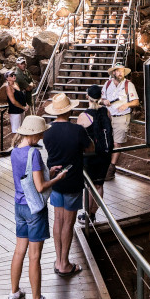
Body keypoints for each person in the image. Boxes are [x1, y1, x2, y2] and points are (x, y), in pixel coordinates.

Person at [8, 115, 69, 299]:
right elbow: (40, 186)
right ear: (33, 134)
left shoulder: (15, 151)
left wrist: (47, 172)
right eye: (41, 133)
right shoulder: (34, 153)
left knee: (19, 250)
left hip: (19, 206)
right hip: (35, 209)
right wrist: (58, 178)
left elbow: (26, 176)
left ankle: (14, 293)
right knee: (35, 256)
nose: (42, 136)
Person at [42, 92, 92, 278]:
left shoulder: (47, 131)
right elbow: (90, 148)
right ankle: (64, 263)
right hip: (72, 181)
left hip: (55, 180)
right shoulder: (77, 130)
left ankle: (58, 259)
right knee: (68, 223)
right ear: (69, 110)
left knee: (58, 220)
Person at [76, 85, 114, 224]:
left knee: (90, 185)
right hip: (105, 154)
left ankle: (87, 214)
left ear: (87, 97)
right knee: (99, 185)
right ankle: (92, 214)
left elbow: (79, 137)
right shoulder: (106, 112)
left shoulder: (84, 116)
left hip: (91, 155)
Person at [101, 63, 139, 180]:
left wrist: (127, 104)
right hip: (108, 117)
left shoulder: (129, 85)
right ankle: (105, 165)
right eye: (118, 71)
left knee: (117, 143)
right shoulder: (107, 84)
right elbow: (101, 99)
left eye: (122, 71)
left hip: (122, 117)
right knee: (107, 141)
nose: (121, 73)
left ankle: (111, 168)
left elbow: (136, 102)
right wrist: (104, 101)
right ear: (113, 73)